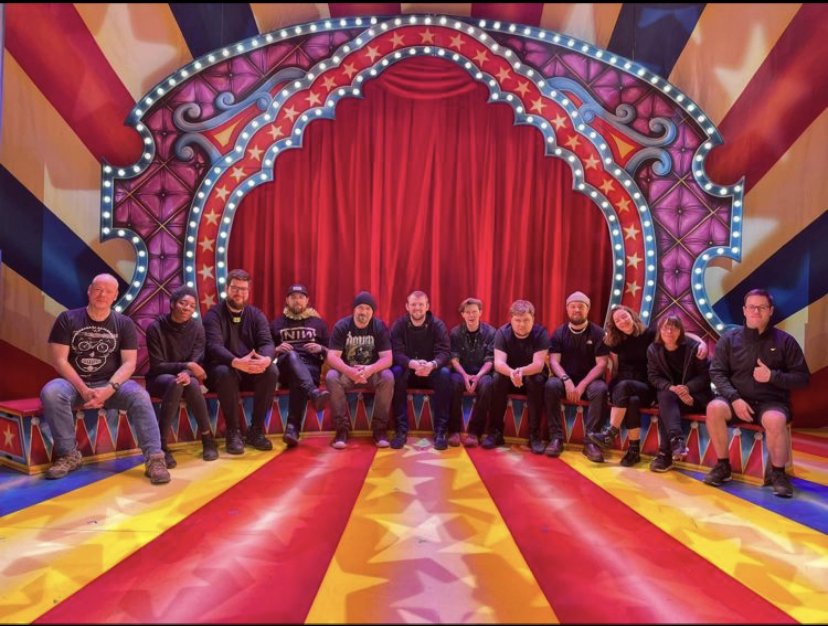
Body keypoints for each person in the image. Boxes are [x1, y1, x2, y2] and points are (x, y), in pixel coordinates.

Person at [40, 273, 170, 484]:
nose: (102, 294)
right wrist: (83, 389)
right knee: (51, 392)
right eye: (98, 289)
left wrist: (108, 390)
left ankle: (155, 458)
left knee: (139, 395)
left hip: (111, 384)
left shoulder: (124, 323)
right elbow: (60, 361)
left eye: (108, 291)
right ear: (89, 291)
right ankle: (69, 455)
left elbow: (129, 363)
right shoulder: (68, 318)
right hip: (74, 385)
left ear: (115, 295)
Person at [703, 289, 809, 497]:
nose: (756, 311)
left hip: (771, 402)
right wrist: (734, 399)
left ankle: (778, 474)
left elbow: (803, 379)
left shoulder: (785, 342)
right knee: (714, 408)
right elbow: (716, 372)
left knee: (776, 420)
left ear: (770, 311)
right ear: (744, 310)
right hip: (736, 399)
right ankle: (723, 466)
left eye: (762, 307)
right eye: (752, 307)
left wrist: (772, 376)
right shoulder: (729, 339)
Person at [589, 305, 707, 466]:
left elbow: (677, 333)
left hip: (647, 383)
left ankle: (611, 432)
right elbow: (615, 367)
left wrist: (701, 342)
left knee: (624, 387)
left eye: (624, 317)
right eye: (617, 320)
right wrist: (614, 391)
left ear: (632, 316)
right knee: (631, 399)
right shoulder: (615, 341)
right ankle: (633, 450)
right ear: (614, 324)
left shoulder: (649, 334)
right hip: (626, 384)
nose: (622, 321)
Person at [203, 269, 279, 455]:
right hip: (223, 370)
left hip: (248, 370)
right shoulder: (213, 315)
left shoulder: (256, 315)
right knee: (224, 372)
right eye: (235, 288)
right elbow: (213, 346)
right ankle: (233, 432)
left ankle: (256, 431)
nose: (239, 293)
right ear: (227, 289)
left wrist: (266, 359)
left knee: (272, 371)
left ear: (248, 291)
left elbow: (267, 342)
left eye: (243, 289)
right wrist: (235, 361)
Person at [146, 285, 218, 467]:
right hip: (159, 377)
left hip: (186, 378)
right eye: (183, 303)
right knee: (176, 383)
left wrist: (187, 372)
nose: (187, 308)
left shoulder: (197, 328)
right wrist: (186, 367)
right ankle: (161, 446)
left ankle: (207, 439)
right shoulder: (156, 327)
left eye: (192, 306)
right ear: (172, 304)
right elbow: (157, 365)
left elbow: (196, 359)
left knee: (191, 384)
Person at [544, 291, 609, 462]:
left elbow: (601, 364)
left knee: (600, 389)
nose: (577, 309)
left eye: (581, 306)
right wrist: (566, 381)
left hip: (589, 382)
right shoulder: (559, 333)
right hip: (566, 380)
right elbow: (554, 362)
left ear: (587, 309)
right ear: (567, 309)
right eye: (573, 306)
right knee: (551, 385)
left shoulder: (597, 333)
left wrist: (582, 385)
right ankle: (556, 438)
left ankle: (591, 442)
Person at [326, 291, 394, 449]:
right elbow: (332, 357)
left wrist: (370, 369)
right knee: (331, 376)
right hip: (348, 372)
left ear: (372, 312)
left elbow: (388, 359)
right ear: (354, 309)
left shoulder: (379, 326)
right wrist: (350, 371)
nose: (363, 311)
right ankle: (341, 430)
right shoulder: (342, 326)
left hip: (371, 373)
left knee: (388, 377)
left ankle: (379, 430)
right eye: (360, 308)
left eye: (367, 308)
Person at [646, 315, 712, 472]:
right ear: (659, 330)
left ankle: (665, 454)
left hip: (695, 397)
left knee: (665, 404)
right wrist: (671, 387)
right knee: (665, 397)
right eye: (665, 327)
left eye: (674, 327)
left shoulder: (695, 348)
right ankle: (676, 442)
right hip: (671, 396)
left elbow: (705, 376)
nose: (669, 331)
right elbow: (653, 377)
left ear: (681, 330)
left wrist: (687, 388)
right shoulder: (653, 349)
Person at [270, 283, 331, 448]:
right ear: (287, 300)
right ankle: (313, 393)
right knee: (291, 355)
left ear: (307, 300)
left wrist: (321, 348)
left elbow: (332, 351)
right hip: (285, 368)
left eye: (301, 297)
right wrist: (276, 349)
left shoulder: (318, 323)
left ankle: (292, 429)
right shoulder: (277, 324)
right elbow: (265, 351)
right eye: (293, 297)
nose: (297, 301)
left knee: (300, 379)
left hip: (310, 368)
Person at [390, 291, 452, 450]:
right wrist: (412, 363)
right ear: (407, 307)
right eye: (413, 304)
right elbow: (395, 353)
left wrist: (431, 365)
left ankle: (440, 431)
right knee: (396, 372)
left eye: (420, 304)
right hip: (408, 369)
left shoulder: (438, 325)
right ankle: (401, 431)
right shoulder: (399, 325)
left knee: (445, 374)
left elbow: (445, 352)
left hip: (430, 370)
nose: (417, 308)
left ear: (427, 306)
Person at [484, 300, 549, 452]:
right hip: (509, 374)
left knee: (536, 380)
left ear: (533, 319)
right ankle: (495, 432)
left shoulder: (540, 333)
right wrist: (513, 373)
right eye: (517, 320)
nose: (521, 324)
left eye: (526, 320)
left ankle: (534, 435)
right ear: (511, 320)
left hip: (531, 375)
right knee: (497, 378)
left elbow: (538, 365)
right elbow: (499, 363)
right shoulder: (502, 333)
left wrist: (520, 371)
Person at [449, 298, 496, 448]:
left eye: (474, 312)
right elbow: (454, 359)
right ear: (462, 314)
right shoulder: (455, 332)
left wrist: (478, 376)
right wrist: (465, 375)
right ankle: (453, 431)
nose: (471, 315)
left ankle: (475, 432)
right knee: (453, 382)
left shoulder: (491, 332)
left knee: (488, 384)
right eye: (467, 312)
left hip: (482, 372)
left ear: (480, 312)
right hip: (461, 371)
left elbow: (490, 360)